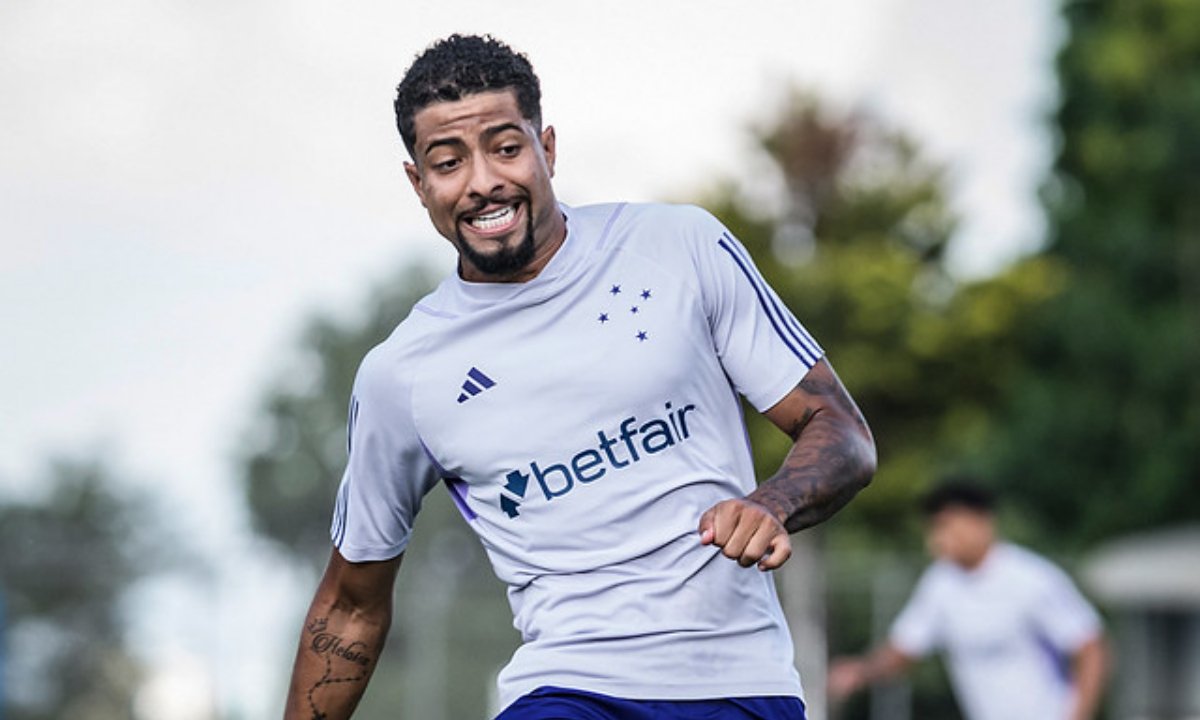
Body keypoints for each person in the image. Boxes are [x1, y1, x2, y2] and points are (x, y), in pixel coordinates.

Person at [283, 33, 877, 720]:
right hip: (566, 691)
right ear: (419, 184)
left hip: (739, 685)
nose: (483, 182)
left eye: (506, 148)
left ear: (548, 149)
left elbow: (842, 433)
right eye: (448, 162)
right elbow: (351, 606)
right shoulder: (403, 375)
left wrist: (770, 504)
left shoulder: (678, 247)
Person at [828, 480, 1109, 720]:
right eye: (933, 528)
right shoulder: (940, 584)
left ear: (981, 521)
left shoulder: (1031, 579)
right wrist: (861, 671)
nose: (938, 538)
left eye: (946, 526)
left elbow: (1091, 648)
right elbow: (905, 650)